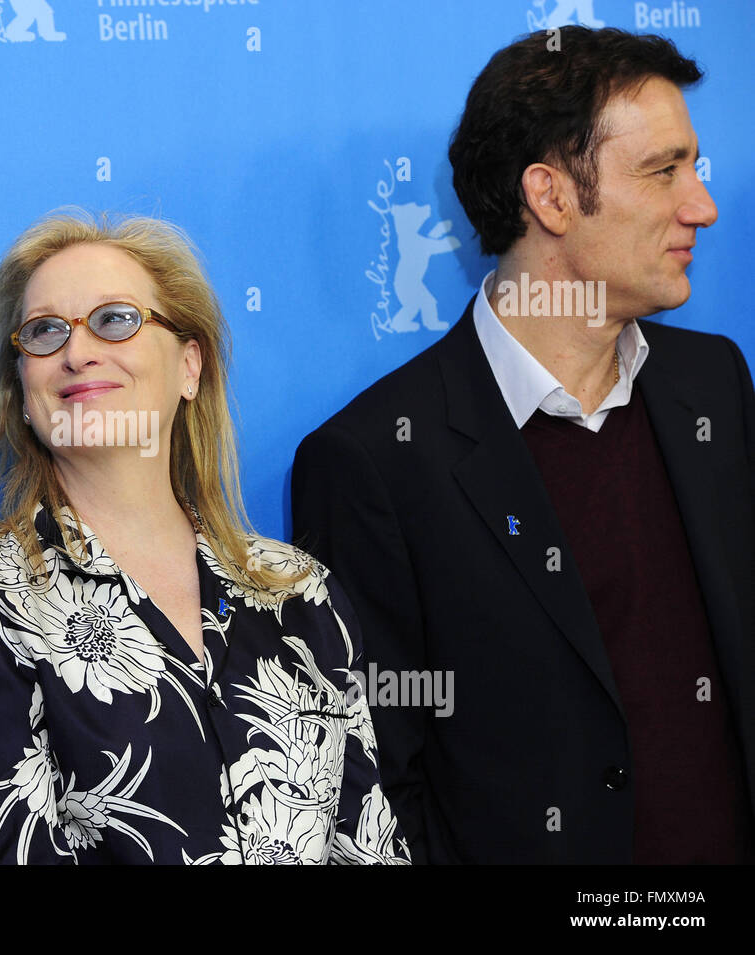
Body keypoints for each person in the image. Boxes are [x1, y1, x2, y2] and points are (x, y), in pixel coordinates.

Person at [293, 27, 755, 864]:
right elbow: (378, 779)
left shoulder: (714, 383)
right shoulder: (376, 460)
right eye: (664, 170)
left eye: (695, 167)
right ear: (549, 197)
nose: (702, 205)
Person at [0, 210, 410, 865]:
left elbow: (368, 842)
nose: (77, 351)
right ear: (21, 391)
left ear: (189, 365)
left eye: (115, 319)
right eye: (44, 331)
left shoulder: (300, 592)